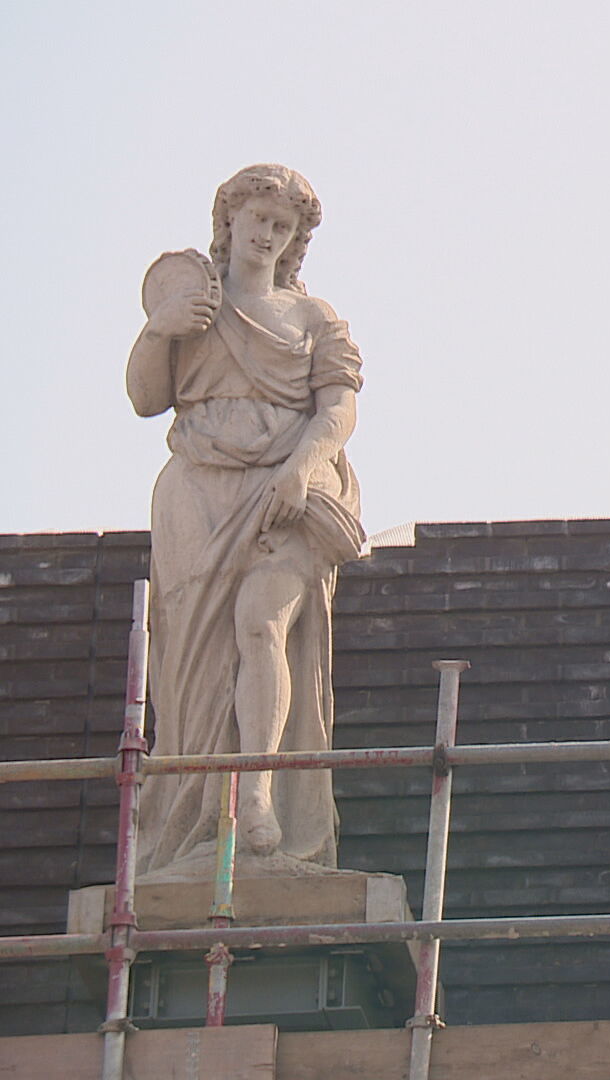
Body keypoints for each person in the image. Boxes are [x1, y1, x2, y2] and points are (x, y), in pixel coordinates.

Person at [127, 164, 366, 875]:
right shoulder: (192, 304)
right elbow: (146, 399)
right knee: (194, 670)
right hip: (198, 493)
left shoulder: (313, 317)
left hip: (289, 490)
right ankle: (196, 817)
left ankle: (257, 793)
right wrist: (156, 331)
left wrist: (299, 467)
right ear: (228, 221)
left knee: (264, 625)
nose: (267, 235)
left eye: (281, 227)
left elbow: (338, 408)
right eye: (257, 219)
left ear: (295, 241)